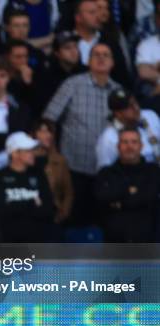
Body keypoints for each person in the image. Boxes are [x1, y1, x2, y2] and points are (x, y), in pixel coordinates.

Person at [43, 42, 120, 226]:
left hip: (106, 170)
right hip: (73, 168)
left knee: (101, 223)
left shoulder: (119, 91)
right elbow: (49, 119)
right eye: (96, 55)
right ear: (88, 61)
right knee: (73, 222)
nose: (101, 58)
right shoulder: (72, 84)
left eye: (106, 55)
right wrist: (53, 154)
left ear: (113, 63)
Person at [95, 127, 160, 242]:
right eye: (125, 142)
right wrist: (130, 191)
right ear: (118, 147)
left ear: (141, 146)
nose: (129, 147)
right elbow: (102, 198)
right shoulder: (105, 173)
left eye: (134, 142)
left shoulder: (153, 171)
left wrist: (119, 202)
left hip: (146, 242)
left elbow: (149, 197)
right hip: (114, 242)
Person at [0, 131, 55, 242]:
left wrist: (15, 205)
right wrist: (32, 204)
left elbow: (48, 209)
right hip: (9, 245)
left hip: (37, 243)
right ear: (15, 153)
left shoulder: (39, 175)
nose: (32, 153)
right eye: (28, 150)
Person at [96, 89, 160, 170]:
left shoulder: (150, 116)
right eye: (129, 107)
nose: (136, 108)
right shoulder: (108, 138)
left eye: (135, 102)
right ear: (118, 114)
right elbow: (105, 173)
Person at [31, 119, 73, 236]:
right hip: (30, 218)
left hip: (53, 216)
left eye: (50, 132)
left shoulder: (60, 160)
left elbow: (68, 192)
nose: (47, 135)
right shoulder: (27, 159)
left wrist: (63, 212)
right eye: (43, 131)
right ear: (34, 134)